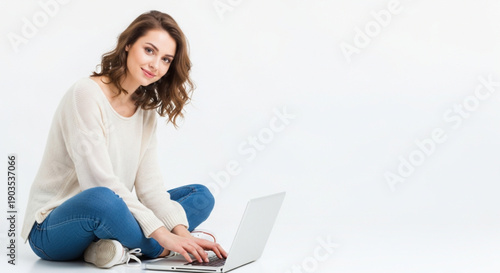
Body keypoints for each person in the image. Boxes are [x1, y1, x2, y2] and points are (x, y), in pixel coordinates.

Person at [21, 10, 227, 269]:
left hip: (111, 213)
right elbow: (97, 182)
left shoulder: (145, 111)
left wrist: (183, 235)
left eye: (165, 59)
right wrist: (164, 237)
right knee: (103, 199)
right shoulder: (86, 93)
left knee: (201, 196)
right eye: (149, 50)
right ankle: (156, 248)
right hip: (52, 228)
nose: (155, 65)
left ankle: (111, 248)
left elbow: (150, 189)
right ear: (128, 44)